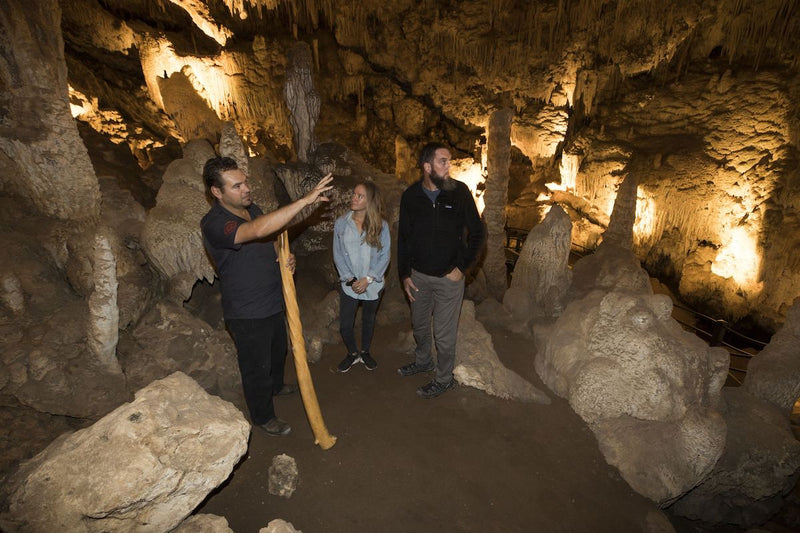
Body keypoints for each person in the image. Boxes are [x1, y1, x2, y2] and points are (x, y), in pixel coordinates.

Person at [201, 156, 333, 436]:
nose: (246, 189)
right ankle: (263, 416)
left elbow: (271, 236)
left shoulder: (253, 208)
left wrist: (284, 257)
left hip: (273, 298)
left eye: (245, 182)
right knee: (255, 365)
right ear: (217, 192)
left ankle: (275, 386)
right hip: (247, 311)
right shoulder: (214, 222)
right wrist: (303, 201)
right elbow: (255, 231)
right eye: (236, 186)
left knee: (276, 351)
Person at [397, 142, 484, 398]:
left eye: (449, 162)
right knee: (420, 326)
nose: (449, 167)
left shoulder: (459, 193)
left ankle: (444, 378)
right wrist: (404, 275)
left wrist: (463, 267)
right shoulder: (411, 196)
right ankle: (423, 361)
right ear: (427, 167)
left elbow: (478, 233)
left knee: (444, 336)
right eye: (442, 162)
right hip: (419, 276)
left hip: (449, 279)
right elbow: (404, 238)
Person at [332, 181, 391, 372]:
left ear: (370, 201)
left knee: (368, 319)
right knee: (345, 325)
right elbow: (338, 253)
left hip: (372, 284)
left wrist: (369, 279)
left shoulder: (381, 226)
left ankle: (365, 352)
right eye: (354, 194)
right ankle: (352, 353)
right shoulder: (341, 223)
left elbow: (385, 255)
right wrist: (349, 278)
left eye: (360, 196)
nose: (354, 198)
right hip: (349, 283)